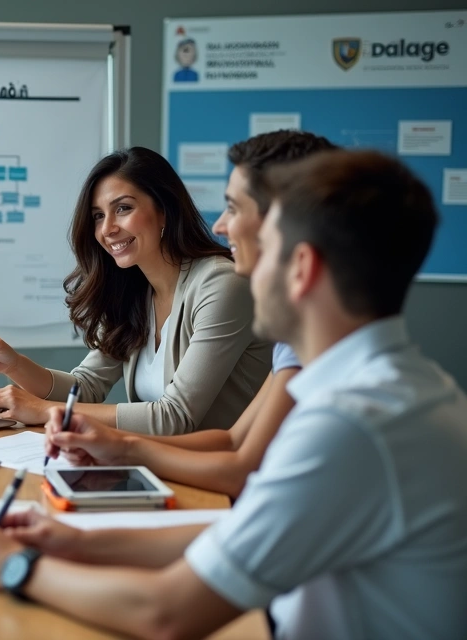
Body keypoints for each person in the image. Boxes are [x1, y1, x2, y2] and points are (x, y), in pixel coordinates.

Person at [0, 149, 467, 639]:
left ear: (301, 268)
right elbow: (241, 527)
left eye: (258, 248)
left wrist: (14, 566)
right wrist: (74, 540)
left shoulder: (348, 424)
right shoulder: (392, 389)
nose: (228, 244)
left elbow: (165, 613)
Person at [46, 131, 335, 497]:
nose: (219, 226)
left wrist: (84, 430)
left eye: (234, 208)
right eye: (98, 215)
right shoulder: (299, 342)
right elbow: (232, 445)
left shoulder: (228, 288)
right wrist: (118, 448)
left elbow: (225, 457)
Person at [0, 147, 270, 435]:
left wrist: (43, 410)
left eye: (122, 208)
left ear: (164, 210)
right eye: (98, 216)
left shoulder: (222, 285)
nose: (107, 229)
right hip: (161, 468)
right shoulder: (135, 289)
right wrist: (13, 364)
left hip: (223, 485)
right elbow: (86, 387)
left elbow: (175, 417)